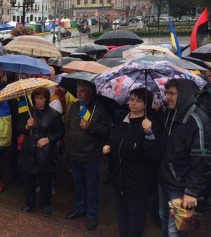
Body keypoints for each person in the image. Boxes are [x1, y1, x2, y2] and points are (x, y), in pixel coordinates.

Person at [103, 88, 160, 237]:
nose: (133, 103)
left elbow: (152, 155)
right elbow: (114, 140)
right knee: (121, 214)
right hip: (119, 179)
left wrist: (149, 134)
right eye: (132, 99)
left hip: (138, 184)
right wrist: (108, 147)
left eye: (139, 100)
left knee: (136, 217)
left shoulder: (149, 126)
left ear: (146, 104)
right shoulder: (122, 121)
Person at [159, 79, 211, 237]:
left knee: (176, 230)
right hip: (164, 180)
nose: (168, 97)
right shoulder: (169, 112)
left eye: (173, 94)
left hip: (181, 186)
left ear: (184, 95)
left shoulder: (198, 120)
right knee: (163, 218)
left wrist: (191, 191)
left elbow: (202, 160)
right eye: (167, 93)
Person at [64, 81, 113, 230]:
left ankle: (91, 215)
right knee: (78, 184)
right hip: (74, 154)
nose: (78, 94)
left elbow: (107, 130)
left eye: (82, 92)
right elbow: (69, 126)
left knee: (92, 187)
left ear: (90, 93)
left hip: (91, 155)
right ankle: (79, 209)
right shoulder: (74, 107)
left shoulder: (100, 108)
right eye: (77, 91)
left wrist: (90, 126)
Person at [17, 87, 64, 216]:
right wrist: (27, 125)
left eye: (41, 98)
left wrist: (48, 139)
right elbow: (19, 128)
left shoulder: (54, 114)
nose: (38, 101)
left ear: (46, 99)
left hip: (44, 154)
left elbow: (61, 132)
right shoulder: (28, 112)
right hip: (29, 152)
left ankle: (46, 204)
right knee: (29, 181)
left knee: (45, 181)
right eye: (36, 98)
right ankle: (30, 204)